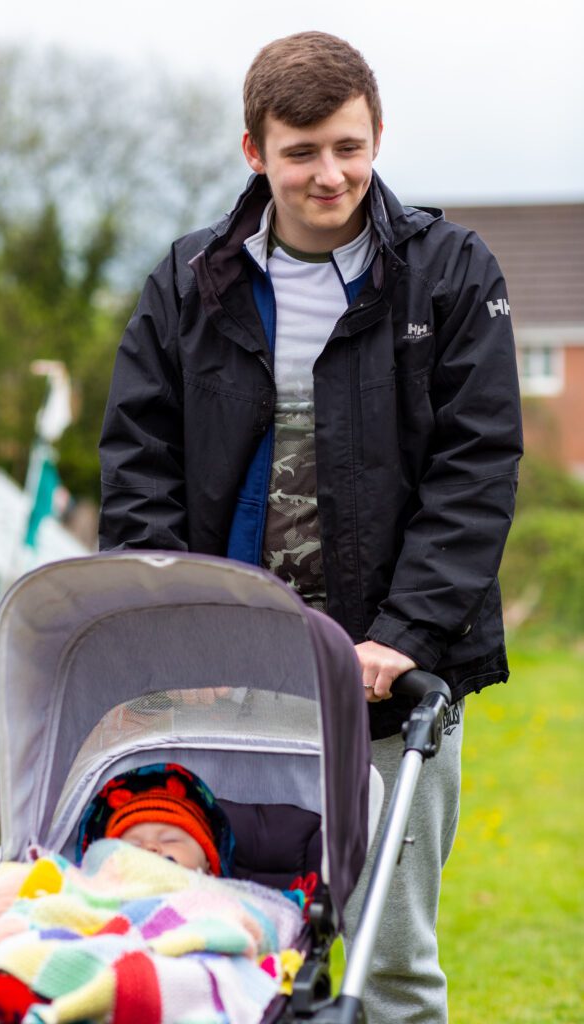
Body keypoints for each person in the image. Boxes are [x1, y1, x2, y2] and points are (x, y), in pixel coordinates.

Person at [98, 30, 522, 1023]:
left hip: (387, 679)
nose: (327, 174)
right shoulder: (186, 282)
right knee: (232, 934)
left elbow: (476, 471)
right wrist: (178, 626)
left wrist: (402, 637)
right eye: (300, 151)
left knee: (392, 957)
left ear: (376, 134)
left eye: (347, 145)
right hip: (228, 676)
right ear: (255, 152)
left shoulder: (449, 275)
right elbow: (138, 468)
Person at [76, 761, 235, 876]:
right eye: (133, 845)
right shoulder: (95, 901)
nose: (149, 847)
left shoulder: (226, 904)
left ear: (209, 867)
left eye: (170, 840)